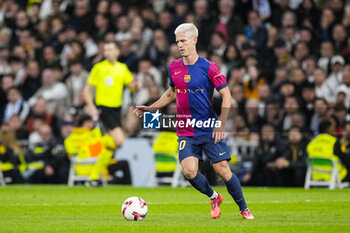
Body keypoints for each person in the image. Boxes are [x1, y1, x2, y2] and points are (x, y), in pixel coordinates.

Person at [134, 23, 254, 220]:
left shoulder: (209, 67)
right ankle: (214, 197)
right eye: (177, 42)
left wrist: (221, 123)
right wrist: (151, 107)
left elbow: (227, 95)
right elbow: (171, 92)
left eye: (183, 41)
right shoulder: (173, 67)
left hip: (208, 127)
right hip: (185, 129)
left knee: (222, 170)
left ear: (194, 40)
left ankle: (244, 208)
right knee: (189, 172)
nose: (180, 45)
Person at [83, 40, 138, 153]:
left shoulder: (122, 68)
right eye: (105, 50)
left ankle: (101, 151)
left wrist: (136, 85)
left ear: (117, 51)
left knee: (112, 142)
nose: (107, 53)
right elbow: (87, 90)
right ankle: (98, 145)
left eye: (110, 49)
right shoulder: (98, 68)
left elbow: (131, 86)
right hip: (104, 108)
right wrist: (91, 107)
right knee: (120, 140)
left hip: (117, 109)